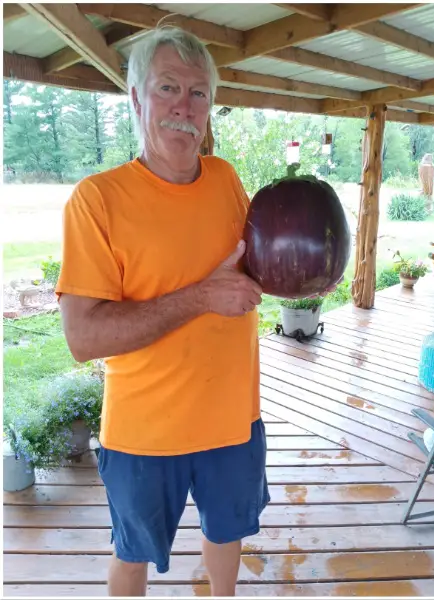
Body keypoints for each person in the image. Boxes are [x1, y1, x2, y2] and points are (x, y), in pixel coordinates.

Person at [55, 25, 329, 596]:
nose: (184, 106)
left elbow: (250, 270)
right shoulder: (97, 200)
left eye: (198, 92)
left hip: (233, 419)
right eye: (167, 87)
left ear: (211, 105)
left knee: (227, 534)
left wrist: (310, 261)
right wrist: (202, 296)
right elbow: (83, 337)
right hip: (144, 433)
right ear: (136, 98)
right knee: (133, 552)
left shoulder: (227, 179)